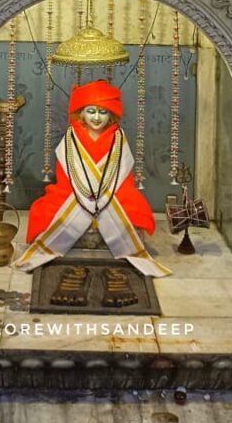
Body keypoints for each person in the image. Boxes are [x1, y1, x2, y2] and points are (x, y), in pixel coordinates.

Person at [14, 79, 170, 277]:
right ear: (81, 112)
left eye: (103, 112)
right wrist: (86, 198)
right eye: (91, 111)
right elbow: (65, 177)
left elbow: (123, 177)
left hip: (114, 193)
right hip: (73, 192)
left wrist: (101, 198)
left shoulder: (119, 137)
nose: (96, 117)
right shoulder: (71, 137)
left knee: (136, 210)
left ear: (111, 115)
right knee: (43, 211)